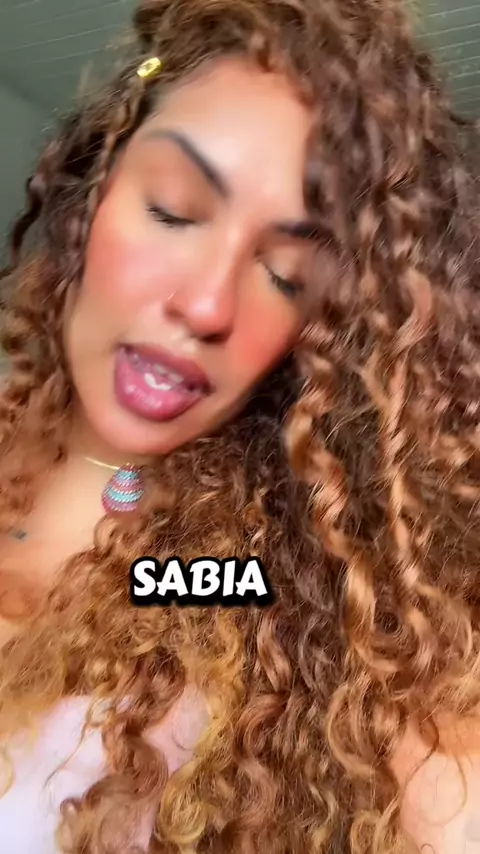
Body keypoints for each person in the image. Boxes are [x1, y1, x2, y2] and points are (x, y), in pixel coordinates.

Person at [0, 0, 479, 851]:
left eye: (286, 274)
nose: (208, 304)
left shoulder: (246, 581)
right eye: (174, 210)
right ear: (89, 188)